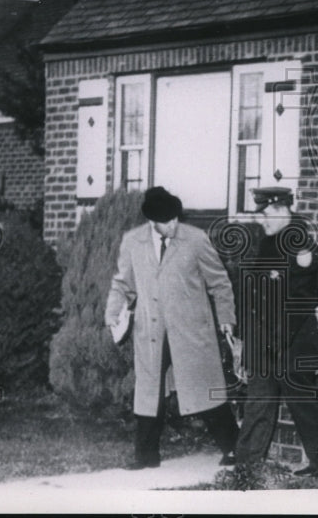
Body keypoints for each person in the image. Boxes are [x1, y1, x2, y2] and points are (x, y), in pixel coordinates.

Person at [105, 186, 239, 470]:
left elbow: (220, 282)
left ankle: (234, 448)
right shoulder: (132, 241)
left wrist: (226, 317)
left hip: (191, 332)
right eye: (167, 221)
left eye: (176, 218)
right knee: (149, 391)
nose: (174, 224)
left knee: (204, 387)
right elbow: (122, 284)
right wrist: (113, 312)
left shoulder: (196, 239)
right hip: (151, 331)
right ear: (152, 221)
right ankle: (146, 457)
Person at [235, 186, 318, 478]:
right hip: (265, 340)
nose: (262, 221)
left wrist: (278, 341)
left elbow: (304, 299)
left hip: (292, 342)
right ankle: (246, 464)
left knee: (303, 401)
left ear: (283, 211)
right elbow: (255, 293)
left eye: (266, 215)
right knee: (258, 401)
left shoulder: (300, 245)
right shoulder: (268, 242)